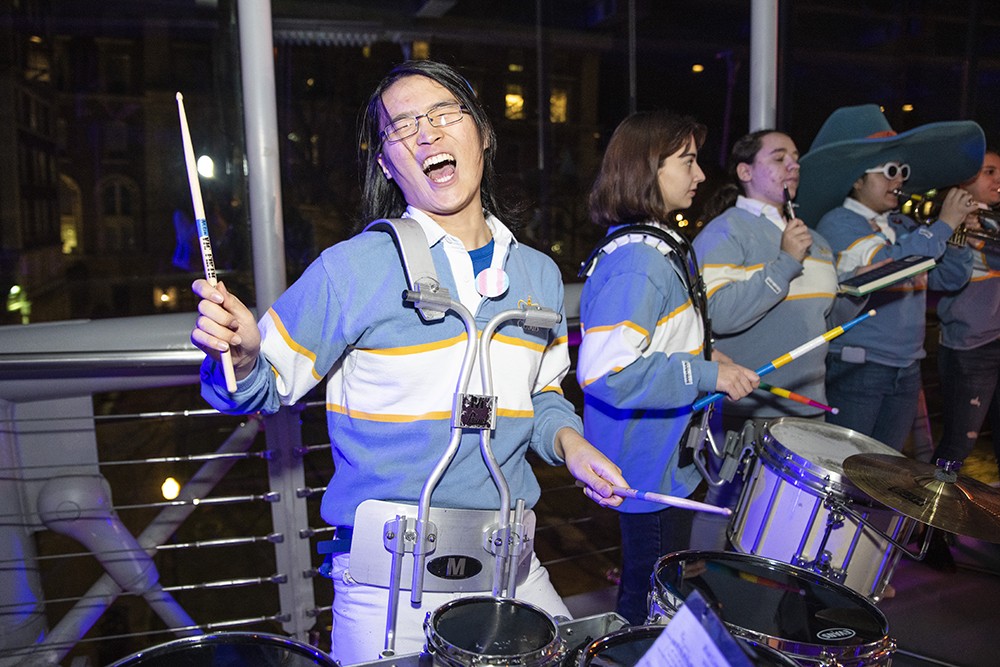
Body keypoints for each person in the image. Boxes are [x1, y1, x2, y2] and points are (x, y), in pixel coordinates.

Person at [190, 59, 628, 663]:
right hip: (388, 591)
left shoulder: (540, 276)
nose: (426, 133)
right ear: (387, 164)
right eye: (402, 127)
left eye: (444, 113)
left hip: (515, 569)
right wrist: (238, 354)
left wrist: (573, 447)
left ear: (482, 133)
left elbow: (544, 396)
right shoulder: (352, 269)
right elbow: (262, 386)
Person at [576, 110, 759, 625]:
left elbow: (658, 342)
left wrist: (707, 357)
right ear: (648, 170)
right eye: (688, 162)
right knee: (648, 601)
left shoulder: (656, 247)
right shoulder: (641, 261)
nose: (700, 176)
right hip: (646, 468)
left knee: (661, 587)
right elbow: (606, 373)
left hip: (664, 457)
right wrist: (707, 376)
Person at [797, 104, 984, 451]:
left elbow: (950, 279)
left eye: (903, 172)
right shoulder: (839, 223)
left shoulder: (903, 226)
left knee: (884, 471)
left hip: (906, 367)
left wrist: (957, 235)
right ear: (857, 179)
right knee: (847, 465)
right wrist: (943, 224)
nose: (900, 180)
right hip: (861, 365)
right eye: (890, 171)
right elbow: (887, 268)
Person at [688, 130, 840, 549]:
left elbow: (822, 316)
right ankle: (701, 598)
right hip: (749, 412)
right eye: (778, 157)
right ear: (745, 171)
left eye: (795, 157)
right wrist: (786, 262)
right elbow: (718, 315)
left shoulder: (814, 238)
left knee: (791, 525)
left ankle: (774, 604)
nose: (793, 164)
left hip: (809, 407)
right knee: (729, 518)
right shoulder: (725, 233)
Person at [934, 149, 1000, 473]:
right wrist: (961, 229)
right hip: (970, 347)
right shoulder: (947, 223)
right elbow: (946, 276)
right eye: (989, 172)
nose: (998, 180)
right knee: (959, 443)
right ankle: (929, 520)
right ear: (964, 181)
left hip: (995, 336)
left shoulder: (991, 221)